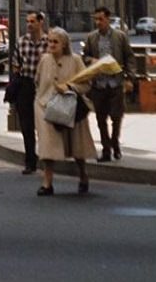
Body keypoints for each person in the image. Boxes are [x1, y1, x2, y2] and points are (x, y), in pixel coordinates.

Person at [34, 27, 96, 196]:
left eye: (55, 42)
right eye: (50, 41)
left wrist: (69, 87)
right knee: (47, 145)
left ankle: (83, 175)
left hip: (71, 107)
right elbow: (38, 81)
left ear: (64, 44)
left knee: (77, 145)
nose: (51, 45)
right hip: (45, 106)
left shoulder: (75, 60)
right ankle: (47, 182)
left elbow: (86, 84)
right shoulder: (44, 60)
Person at [82, 5, 136, 162]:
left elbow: (129, 57)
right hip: (99, 84)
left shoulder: (120, 37)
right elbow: (84, 57)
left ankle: (115, 143)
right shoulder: (92, 38)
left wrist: (129, 78)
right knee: (100, 119)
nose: (98, 22)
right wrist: (91, 60)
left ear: (108, 19)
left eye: (101, 19)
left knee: (116, 117)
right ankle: (106, 149)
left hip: (116, 83)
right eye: (96, 19)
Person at [11, 10, 49, 174]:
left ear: (41, 22)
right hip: (26, 85)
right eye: (27, 21)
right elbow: (15, 63)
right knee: (26, 126)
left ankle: (46, 157)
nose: (29, 24)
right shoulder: (21, 42)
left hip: (44, 86)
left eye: (32, 21)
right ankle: (30, 161)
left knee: (44, 125)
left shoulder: (48, 42)